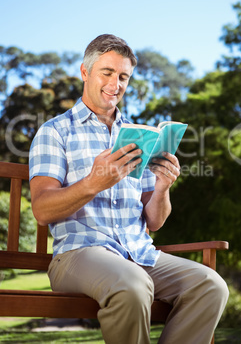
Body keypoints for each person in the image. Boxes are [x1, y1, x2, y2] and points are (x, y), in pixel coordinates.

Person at [29, 34, 228, 344]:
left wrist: (162, 188)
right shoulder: (55, 131)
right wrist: (93, 183)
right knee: (133, 285)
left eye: (123, 76)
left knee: (211, 286)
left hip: (139, 253)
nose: (116, 83)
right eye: (107, 73)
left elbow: (155, 222)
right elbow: (42, 209)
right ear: (85, 72)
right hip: (79, 254)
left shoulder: (138, 136)